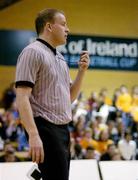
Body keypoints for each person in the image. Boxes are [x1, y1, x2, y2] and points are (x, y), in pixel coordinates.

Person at [15, 8, 90, 180]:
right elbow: (22, 97)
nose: (67, 29)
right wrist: (33, 135)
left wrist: (82, 72)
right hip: (45, 127)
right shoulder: (32, 52)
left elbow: (69, 98)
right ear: (49, 26)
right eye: (63, 24)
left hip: (63, 129)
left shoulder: (60, 58)